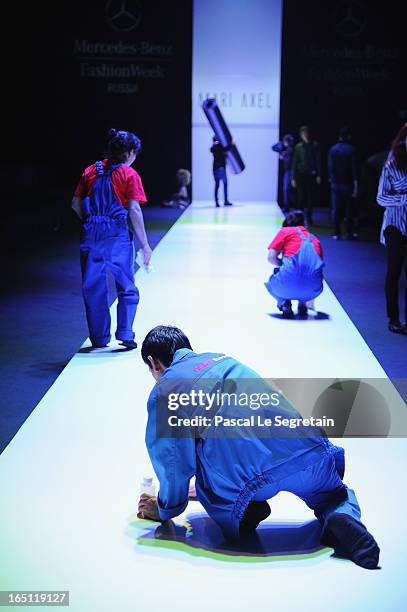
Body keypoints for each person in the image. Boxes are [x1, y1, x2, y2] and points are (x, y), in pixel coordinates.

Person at [137, 326, 380, 570]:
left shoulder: (165, 389)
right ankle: (341, 515)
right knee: (334, 495)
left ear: (153, 362)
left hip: (244, 479)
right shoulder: (224, 360)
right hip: (306, 451)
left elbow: (173, 462)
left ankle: (247, 510)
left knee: (215, 492)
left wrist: (166, 507)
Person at [71, 128, 152, 349]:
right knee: (125, 284)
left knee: (93, 287)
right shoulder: (129, 174)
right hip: (116, 234)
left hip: (91, 232)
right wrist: (145, 245)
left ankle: (99, 338)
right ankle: (125, 334)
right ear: (131, 152)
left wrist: (91, 222)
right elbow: (134, 210)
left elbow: (75, 204)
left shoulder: (90, 170)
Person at [264, 211, 324, 319]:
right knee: (306, 272)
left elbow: (271, 258)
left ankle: (284, 302)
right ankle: (303, 303)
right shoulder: (314, 238)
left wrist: (283, 264)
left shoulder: (285, 231)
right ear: (304, 224)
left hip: (286, 285)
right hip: (313, 289)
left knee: (272, 281)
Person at [377, 123, 407, 335]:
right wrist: (404, 198)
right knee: (394, 273)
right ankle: (393, 318)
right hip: (395, 225)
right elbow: (380, 198)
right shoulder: (391, 166)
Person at [328, 127, 358, 240]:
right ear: (348, 136)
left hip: (335, 183)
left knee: (336, 209)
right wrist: (356, 183)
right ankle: (349, 233)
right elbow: (354, 168)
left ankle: (336, 233)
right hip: (348, 183)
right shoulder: (351, 149)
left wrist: (331, 180)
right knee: (348, 209)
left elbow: (330, 167)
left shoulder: (333, 149)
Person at [291, 126, 321, 225]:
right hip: (300, 175)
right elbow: (294, 163)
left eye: (307, 133)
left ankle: (309, 218)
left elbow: (318, 161)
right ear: (301, 135)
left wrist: (318, 174)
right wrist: (293, 178)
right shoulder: (298, 147)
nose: (306, 135)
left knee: (310, 197)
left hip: (311, 175)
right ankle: (299, 219)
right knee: (301, 197)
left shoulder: (314, 145)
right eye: (304, 134)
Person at [272, 133, 296, 212]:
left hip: (291, 171)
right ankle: (289, 206)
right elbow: (273, 147)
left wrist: (283, 155)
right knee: (287, 190)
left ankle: (289, 206)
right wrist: (281, 146)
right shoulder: (285, 148)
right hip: (287, 171)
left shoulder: (291, 149)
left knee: (288, 190)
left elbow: (288, 160)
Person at [210, 136, 233, 207]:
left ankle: (217, 202)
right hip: (221, 168)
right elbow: (225, 149)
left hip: (215, 168)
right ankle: (225, 201)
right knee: (224, 184)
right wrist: (231, 144)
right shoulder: (218, 147)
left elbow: (212, 149)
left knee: (217, 185)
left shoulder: (214, 147)